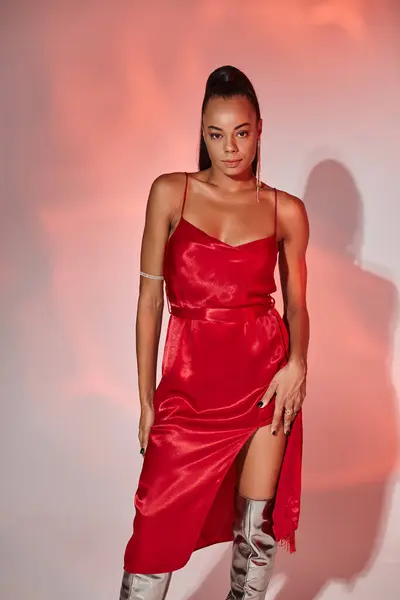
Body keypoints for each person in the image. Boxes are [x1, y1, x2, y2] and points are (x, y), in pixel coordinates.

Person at [119, 65, 309, 600]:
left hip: (262, 385)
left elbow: (296, 305)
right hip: (188, 386)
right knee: (154, 526)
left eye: (241, 133)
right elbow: (149, 301)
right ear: (201, 132)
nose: (230, 148)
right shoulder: (170, 193)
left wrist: (296, 366)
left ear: (260, 129)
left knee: (254, 532)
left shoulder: (285, 210)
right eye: (216, 134)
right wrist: (146, 400)